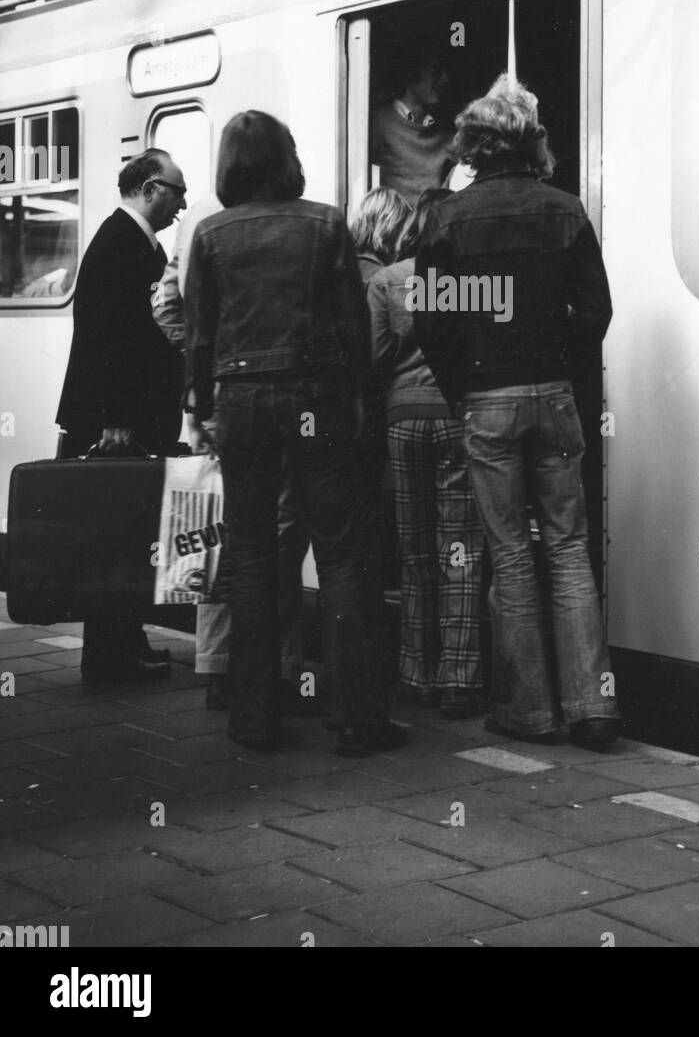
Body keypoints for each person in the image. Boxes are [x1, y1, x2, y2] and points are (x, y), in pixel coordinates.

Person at [183, 110, 407, 755]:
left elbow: (200, 331)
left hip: (243, 402)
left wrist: (201, 408)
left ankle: (254, 716)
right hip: (319, 398)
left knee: (251, 553)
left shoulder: (211, 233)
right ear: (288, 157)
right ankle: (356, 717)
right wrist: (360, 400)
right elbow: (350, 324)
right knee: (341, 554)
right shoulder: (326, 222)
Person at [414, 74, 624, 750]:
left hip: (488, 400)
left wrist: (466, 388)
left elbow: (433, 323)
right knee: (567, 552)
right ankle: (592, 706)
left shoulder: (447, 219)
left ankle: (531, 711)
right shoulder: (566, 210)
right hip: (554, 397)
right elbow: (596, 312)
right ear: (528, 142)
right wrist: (555, 361)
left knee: (510, 558)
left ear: (475, 146)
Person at [152, 195, 309, 716]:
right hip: (280, 401)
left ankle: (220, 667)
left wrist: (204, 368)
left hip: (219, 403)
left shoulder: (199, 217)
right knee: (282, 537)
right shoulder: (298, 218)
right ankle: (279, 670)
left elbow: (165, 304)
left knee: (218, 535)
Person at [56, 148, 187, 683]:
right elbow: (106, 338)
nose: (181, 204)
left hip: (124, 414)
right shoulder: (121, 243)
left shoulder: (128, 240)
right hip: (117, 419)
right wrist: (114, 417)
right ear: (152, 188)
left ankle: (120, 645)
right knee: (119, 534)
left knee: (123, 532)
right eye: (177, 192)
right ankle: (113, 653)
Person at [367, 189, 485, 718]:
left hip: (403, 422)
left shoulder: (387, 280)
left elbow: (375, 357)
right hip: (456, 419)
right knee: (459, 551)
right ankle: (459, 678)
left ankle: (416, 673)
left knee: (415, 556)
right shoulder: (472, 282)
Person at [371, 46, 454, 204]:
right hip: (393, 224)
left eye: (446, 72)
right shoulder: (380, 122)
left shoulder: (447, 132)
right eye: (436, 69)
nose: (445, 79)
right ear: (413, 70)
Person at [349, 187, 411, 288]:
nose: (407, 235)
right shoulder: (384, 280)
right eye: (405, 226)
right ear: (392, 226)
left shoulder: (347, 268)